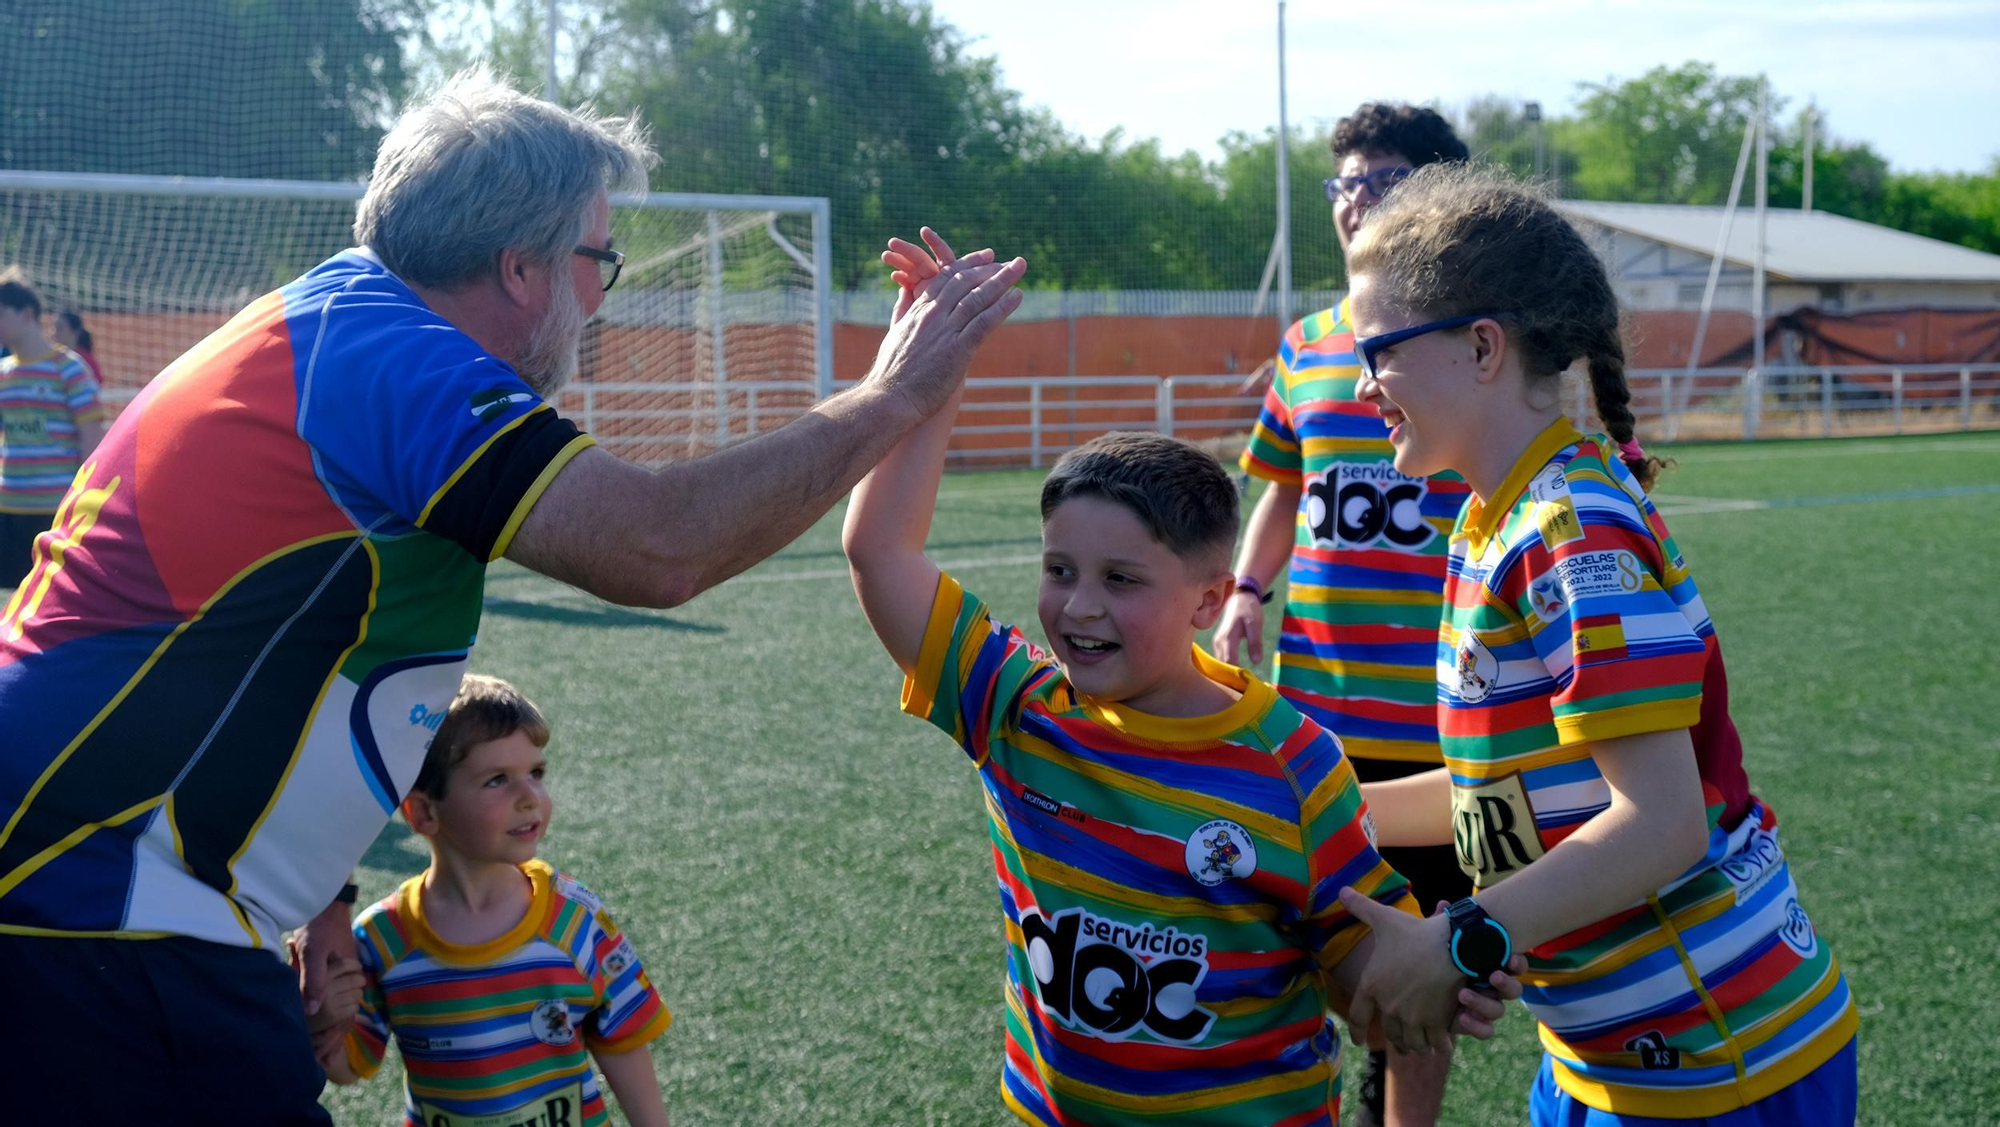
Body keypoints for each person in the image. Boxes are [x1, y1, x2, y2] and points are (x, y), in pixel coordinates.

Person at [0, 69, 1023, 1122]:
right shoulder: (395, 357)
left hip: (93, 886)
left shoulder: (334, 327)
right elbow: (656, 546)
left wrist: (329, 898)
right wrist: (894, 391)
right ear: (521, 266)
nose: (599, 296)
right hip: (101, 905)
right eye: (599, 260)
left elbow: (266, 656)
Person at [842, 229, 1520, 1127]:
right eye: (1059, 570)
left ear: (1209, 601)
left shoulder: (1293, 761)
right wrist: (919, 376)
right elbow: (877, 548)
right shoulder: (1015, 704)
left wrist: (1418, 976)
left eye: (1122, 580)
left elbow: (1353, 959)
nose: (1080, 607)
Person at [1333, 164, 1859, 1125]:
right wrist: (1319, 809)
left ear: (1482, 346)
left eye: (1379, 353)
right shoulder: (1492, 525)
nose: (1364, 385)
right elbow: (1503, 798)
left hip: (1720, 1066)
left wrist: (1460, 940)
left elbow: (1663, 825)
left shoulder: (1568, 530)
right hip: (1602, 1064)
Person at [1210, 102, 1471, 1127]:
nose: (1356, 197)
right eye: (1344, 182)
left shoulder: (1472, 351)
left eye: (1385, 178)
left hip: (1439, 735)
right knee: (1290, 945)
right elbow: (1280, 484)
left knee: (1423, 973)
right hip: (1305, 728)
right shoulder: (1307, 344)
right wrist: (1242, 590)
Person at [321, 675, 671, 1127]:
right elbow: (348, 1066)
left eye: (536, 773)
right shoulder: (383, 939)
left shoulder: (573, 919)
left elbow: (621, 1036)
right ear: (424, 812)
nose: (530, 798)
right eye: (497, 780)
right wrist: (321, 1018)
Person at [0, 272, 106, 584]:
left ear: (27, 314)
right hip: (8, 507)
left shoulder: (69, 370)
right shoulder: (3, 374)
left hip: (55, 510)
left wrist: (86, 505)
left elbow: (92, 444)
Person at [51, 306, 105, 386]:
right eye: (54, 327)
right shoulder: (52, 356)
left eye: (60, 328)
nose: (55, 332)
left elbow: (96, 382)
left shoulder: (85, 359)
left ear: (76, 331)